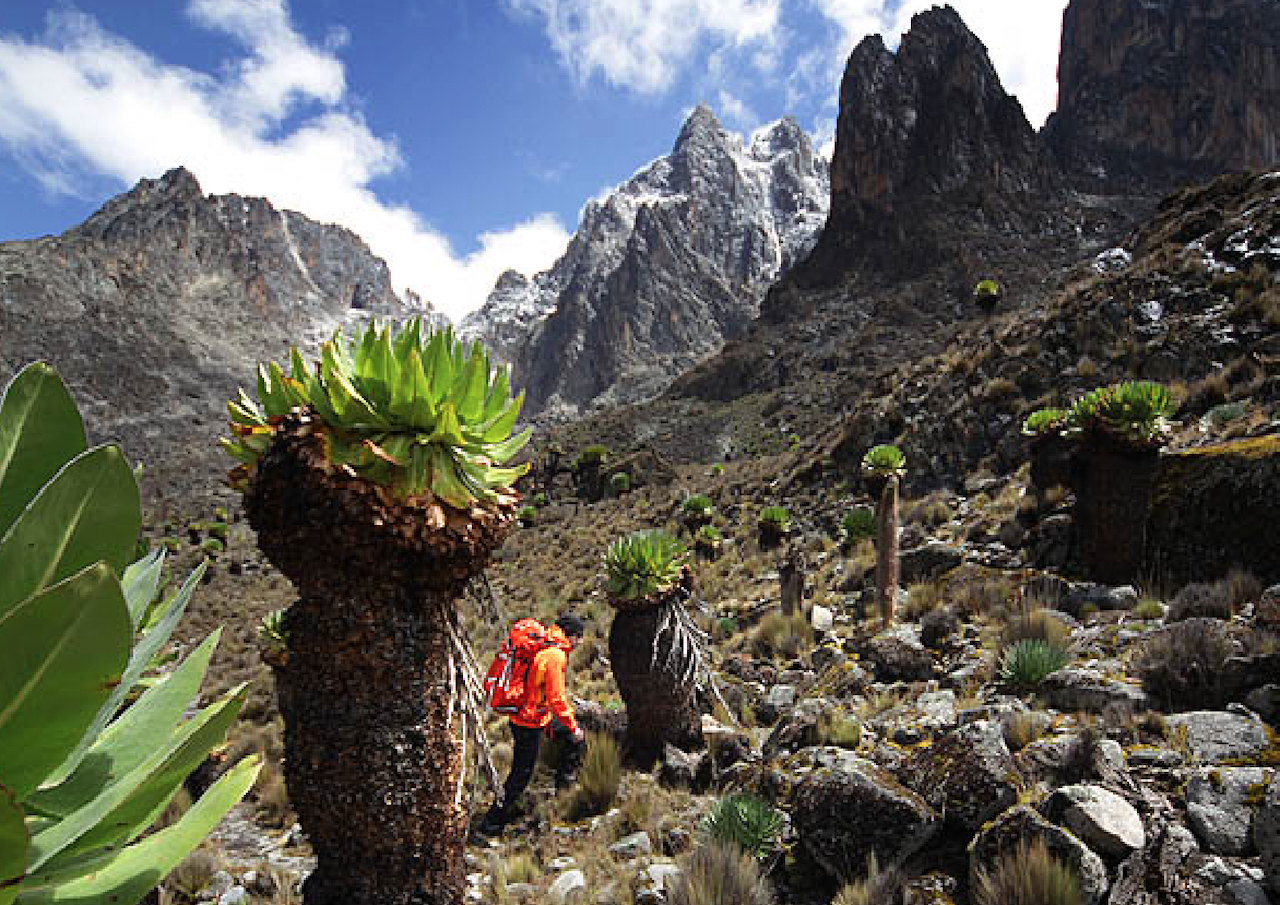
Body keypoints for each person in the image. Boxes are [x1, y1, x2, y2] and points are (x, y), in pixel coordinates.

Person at [479, 613, 586, 836]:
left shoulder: (546, 644)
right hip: (528, 722)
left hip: (531, 717)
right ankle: (492, 823)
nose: (580, 643)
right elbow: (556, 698)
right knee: (521, 774)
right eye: (579, 637)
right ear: (572, 636)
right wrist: (573, 726)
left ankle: (562, 791)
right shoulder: (555, 654)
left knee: (570, 742)